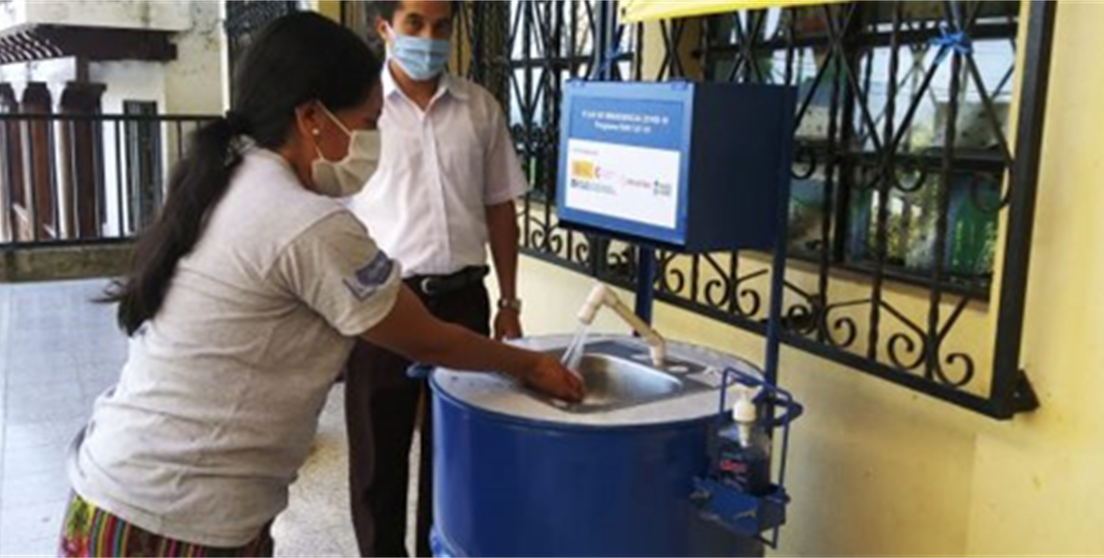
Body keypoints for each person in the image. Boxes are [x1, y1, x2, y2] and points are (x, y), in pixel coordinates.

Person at [58, 12, 582, 557]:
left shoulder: (230, 180)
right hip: (172, 520)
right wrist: (530, 363)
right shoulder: (306, 222)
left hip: (125, 496)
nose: (375, 140)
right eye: (369, 123)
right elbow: (426, 339)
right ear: (312, 117)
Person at [342, 0, 529, 556]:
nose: (430, 37)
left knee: (452, 455)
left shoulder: (480, 108)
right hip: (382, 305)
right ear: (385, 29)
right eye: (414, 25)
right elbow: (334, 215)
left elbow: (501, 208)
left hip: (464, 300)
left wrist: (510, 302)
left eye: (441, 26)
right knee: (378, 458)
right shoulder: (357, 114)